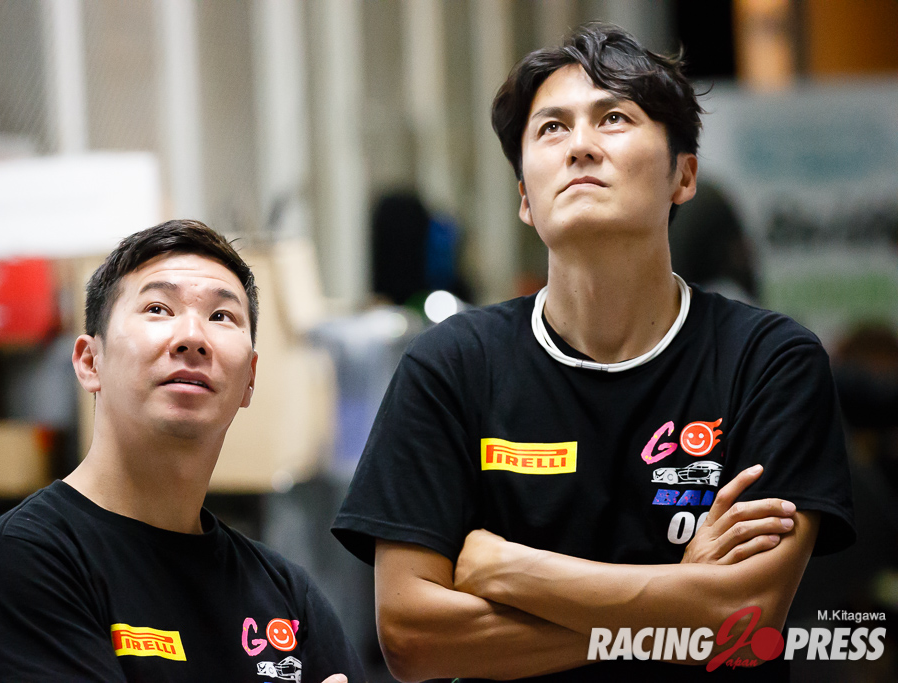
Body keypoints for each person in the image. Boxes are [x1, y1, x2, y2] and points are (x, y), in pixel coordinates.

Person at [332, 24, 855, 681]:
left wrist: (510, 569)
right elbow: (411, 637)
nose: (580, 145)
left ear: (683, 175)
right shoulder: (450, 366)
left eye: (613, 118)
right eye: (552, 128)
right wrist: (679, 597)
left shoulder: (770, 362)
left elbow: (744, 620)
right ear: (526, 198)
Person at [0, 220, 363, 683]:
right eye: (158, 308)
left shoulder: (286, 595)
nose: (193, 336)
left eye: (221, 316)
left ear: (249, 378)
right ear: (90, 362)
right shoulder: (25, 561)